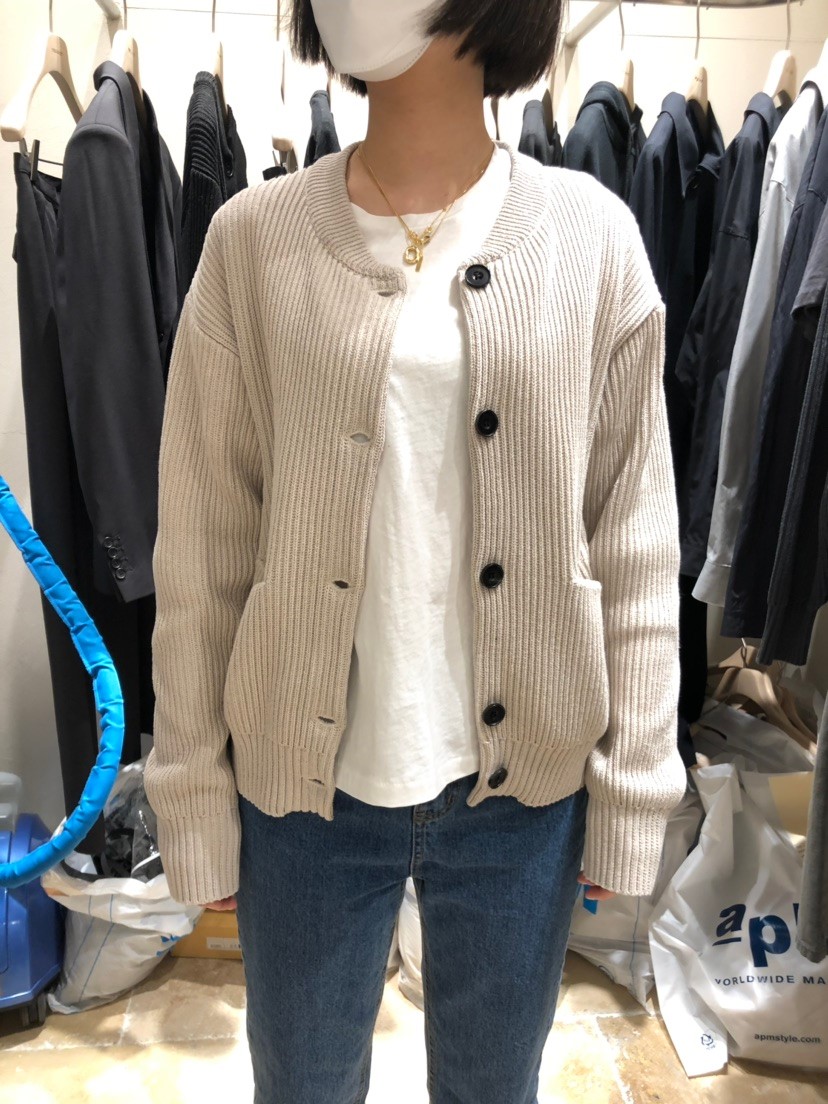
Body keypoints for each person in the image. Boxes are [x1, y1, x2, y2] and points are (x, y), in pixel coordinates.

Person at [144, 1, 687, 1101]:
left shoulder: (593, 241)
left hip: (522, 804)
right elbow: (201, 551)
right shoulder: (249, 243)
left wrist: (635, 791)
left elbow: (634, 541)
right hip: (302, 803)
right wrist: (191, 792)